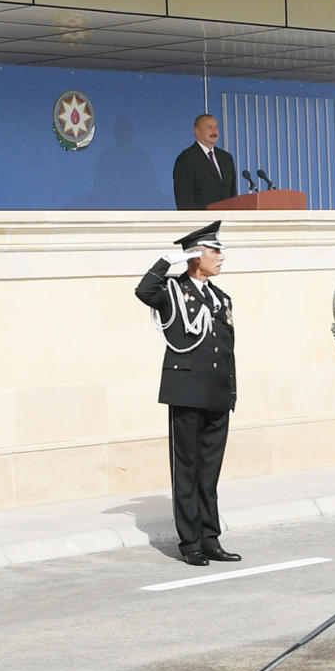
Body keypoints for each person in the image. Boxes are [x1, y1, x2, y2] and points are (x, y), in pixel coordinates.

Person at [134, 221, 240, 566]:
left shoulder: (221, 297)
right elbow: (144, 291)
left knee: (209, 473)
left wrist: (231, 393)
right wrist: (167, 262)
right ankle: (190, 542)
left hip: (216, 395)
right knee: (187, 469)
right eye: (215, 250)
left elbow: (227, 350)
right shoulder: (174, 291)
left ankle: (211, 538)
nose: (221, 257)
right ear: (197, 255)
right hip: (187, 393)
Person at [172, 113, 238, 210]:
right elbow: (184, 198)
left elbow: (232, 194)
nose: (214, 131)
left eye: (216, 127)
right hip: (201, 222)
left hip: (226, 221)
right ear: (197, 131)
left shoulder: (226, 158)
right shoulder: (187, 158)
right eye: (209, 128)